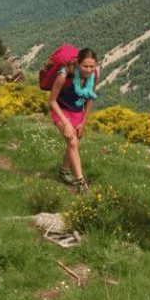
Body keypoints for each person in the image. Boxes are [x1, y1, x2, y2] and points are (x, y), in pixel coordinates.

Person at [48, 47, 98, 193]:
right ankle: (81, 183)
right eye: (85, 66)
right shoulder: (64, 75)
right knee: (72, 141)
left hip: (77, 112)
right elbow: (52, 101)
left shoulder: (93, 75)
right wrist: (66, 122)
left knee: (74, 142)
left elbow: (90, 99)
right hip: (61, 110)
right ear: (77, 63)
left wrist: (84, 122)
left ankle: (64, 172)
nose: (88, 70)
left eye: (91, 66)